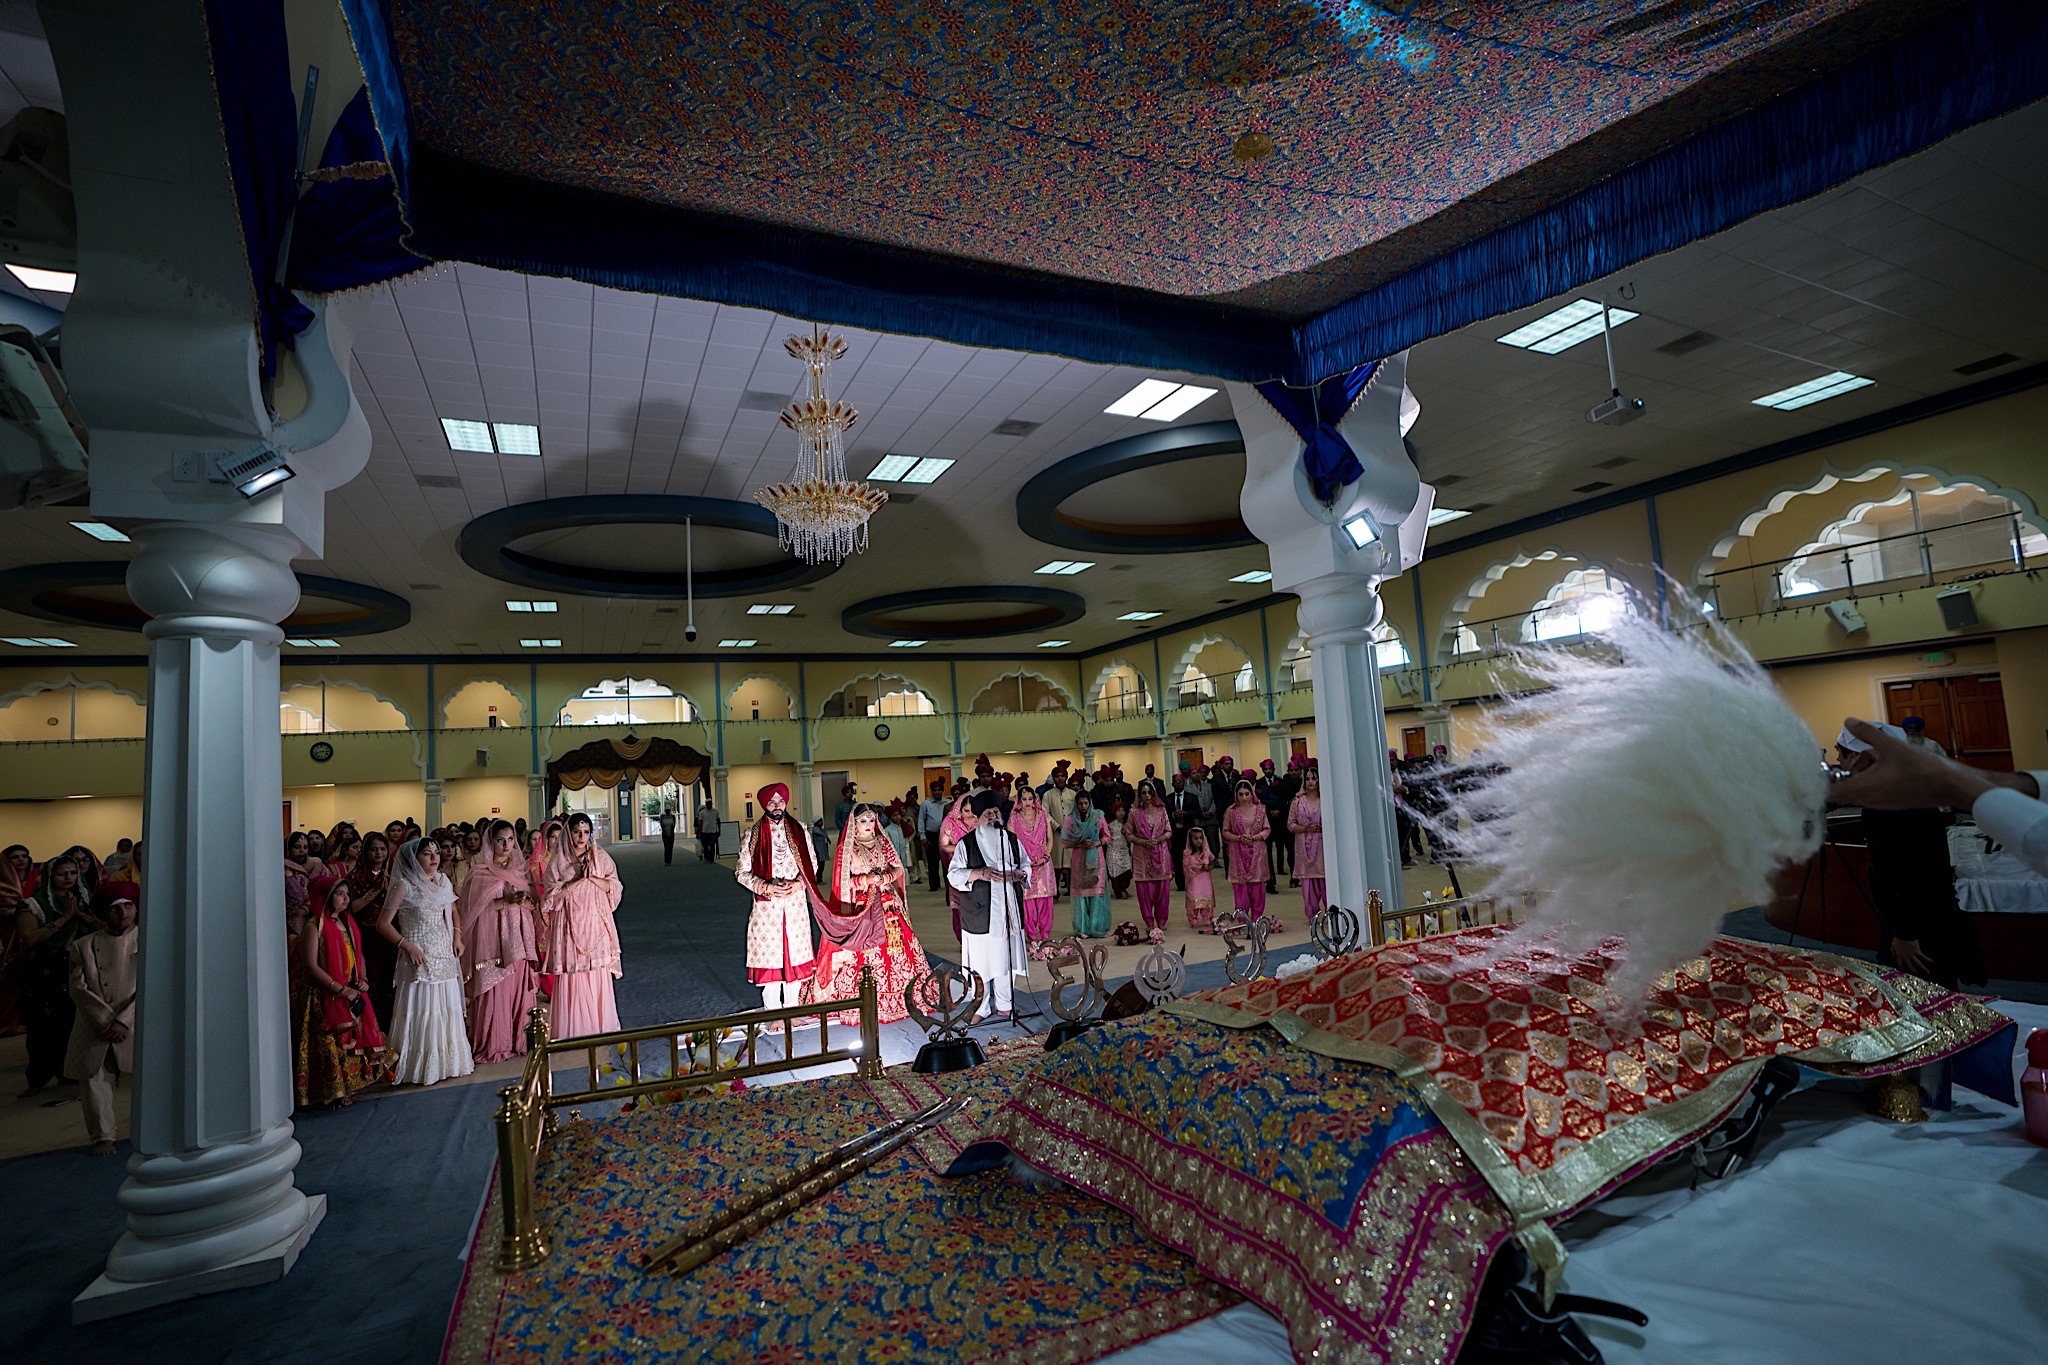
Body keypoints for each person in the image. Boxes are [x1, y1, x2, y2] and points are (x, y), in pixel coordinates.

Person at [1830, 712, 2048, 885]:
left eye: (1839, 752)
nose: (1837, 759)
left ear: (1855, 756)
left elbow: (1895, 876)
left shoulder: (1886, 807)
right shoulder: (1915, 804)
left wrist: (1954, 786)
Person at [805, 804, 929, 1024]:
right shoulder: (849, 847)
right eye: (863, 821)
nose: (868, 825)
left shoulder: (882, 842)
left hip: (889, 903)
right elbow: (842, 881)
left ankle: (902, 996)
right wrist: (866, 880)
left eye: (871, 820)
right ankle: (863, 999)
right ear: (854, 823)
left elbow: (898, 868)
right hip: (861, 906)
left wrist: (885, 879)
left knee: (898, 947)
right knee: (865, 950)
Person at [377, 838, 474, 1087]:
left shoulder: (442, 881)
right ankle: (419, 1067)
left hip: (444, 953)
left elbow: (453, 911)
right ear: (413, 858)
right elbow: (383, 924)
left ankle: (449, 1064)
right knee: (423, 1009)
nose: (434, 858)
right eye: (427, 853)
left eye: (436, 852)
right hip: (418, 956)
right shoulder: (404, 885)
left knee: (446, 1007)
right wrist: (407, 946)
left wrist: (457, 937)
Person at [293, 876, 388, 1109]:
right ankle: (331, 1092)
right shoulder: (313, 927)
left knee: (350, 1040)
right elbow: (311, 966)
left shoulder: (347, 923)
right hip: (323, 994)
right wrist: (341, 989)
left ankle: (348, 1086)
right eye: (339, 894)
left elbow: (358, 953)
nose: (346, 899)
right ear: (324, 897)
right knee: (330, 1044)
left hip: (350, 991)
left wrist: (362, 979)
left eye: (347, 894)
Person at [946, 790, 1031, 1024]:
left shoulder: (1011, 839)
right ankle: (980, 1007)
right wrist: (979, 873)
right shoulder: (967, 843)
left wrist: (1021, 874)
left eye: (995, 812)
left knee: (1006, 958)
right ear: (978, 817)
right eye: (988, 813)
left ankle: (1005, 1005)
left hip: (1008, 910)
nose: (993, 816)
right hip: (980, 913)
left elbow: (1026, 864)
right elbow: (953, 875)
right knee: (981, 962)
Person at [460, 819, 541, 1064]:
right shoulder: (480, 873)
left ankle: (519, 1039)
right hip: (494, 942)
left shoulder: (520, 869)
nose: (506, 845)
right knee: (497, 988)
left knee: (517, 986)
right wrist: (506, 901)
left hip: (518, 937)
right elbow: (472, 910)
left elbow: (533, 905)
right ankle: (496, 1042)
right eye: (500, 840)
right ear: (490, 842)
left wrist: (525, 902)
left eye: (510, 839)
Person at [66, 882, 138, 1155]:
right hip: (96, 1023)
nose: (123, 913)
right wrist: (108, 1021)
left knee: (150, 1078)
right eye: (114, 908)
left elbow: (154, 986)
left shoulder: (151, 940)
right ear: (103, 913)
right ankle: (102, 1136)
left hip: (136, 1020)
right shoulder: (83, 946)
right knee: (94, 1078)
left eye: (128, 905)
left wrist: (123, 1020)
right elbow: (78, 989)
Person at [734, 784, 819, 1011]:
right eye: (772, 802)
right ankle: (772, 1011)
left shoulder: (800, 829)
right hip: (767, 908)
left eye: (780, 801)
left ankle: (793, 1009)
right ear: (765, 805)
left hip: (795, 903)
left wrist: (798, 884)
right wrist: (765, 887)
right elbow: (741, 873)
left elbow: (812, 865)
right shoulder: (753, 834)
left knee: (795, 954)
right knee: (769, 957)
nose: (777, 806)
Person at [16, 854, 94, 1097]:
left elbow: (105, 927)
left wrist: (80, 915)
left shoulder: (85, 900)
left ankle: (69, 1072)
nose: (69, 878)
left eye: (73, 873)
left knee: (74, 1023)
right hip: (44, 973)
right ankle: (37, 1078)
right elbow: (29, 938)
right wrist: (65, 917)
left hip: (77, 969)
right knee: (41, 1027)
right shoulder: (32, 904)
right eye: (62, 874)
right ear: (50, 876)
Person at [541, 813, 625, 1037]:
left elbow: (614, 886)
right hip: (569, 925)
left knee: (596, 973)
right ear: (568, 833)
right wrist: (576, 880)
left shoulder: (599, 856)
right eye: (577, 832)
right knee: (573, 975)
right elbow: (550, 898)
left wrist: (591, 878)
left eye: (586, 832)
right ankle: (573, 1031)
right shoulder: (559, 861)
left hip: (595, 924)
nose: (581, 837)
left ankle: (599, 1027)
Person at [348, 832, 397, 1028]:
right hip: (367, 934)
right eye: (374, 849)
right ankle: (372, 1023)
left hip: (391, 933)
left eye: (382, 849)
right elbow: (353, 907)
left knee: (390, 977)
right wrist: (375, 890)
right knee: (372, 977)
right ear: (365, 852)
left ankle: (389, 1022)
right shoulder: (356, 877)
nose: (379, 853)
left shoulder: (394, 874)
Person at [1223, 779, 1278, 927]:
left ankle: (1256, 919)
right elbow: (1225, 832)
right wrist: (1239, 838)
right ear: (1236, 795)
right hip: (1237, 852)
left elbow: (1267, 829)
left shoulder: (1260, 809)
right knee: (1240, 888)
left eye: (1247, 794)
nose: (1244, 797)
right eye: (1240, 794)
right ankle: (1243, 921)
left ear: (1252, 793)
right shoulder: (1231, 812)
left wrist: (1254, 838)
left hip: (1257, 851)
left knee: (1257, 887)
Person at [1010, 783, 1057, 947]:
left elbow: (1050, 838)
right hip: (1025, 865)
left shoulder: (1043, 815)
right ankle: (1032, 937)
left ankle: (1044, 936)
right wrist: (1023, 861)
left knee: (1044, 900)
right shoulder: (1014, 818)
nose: (1027, 802)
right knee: (1027, 901)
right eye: (1024, 799)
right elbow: (1012, 843)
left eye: (1030, 798)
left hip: (1043, 863)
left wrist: (1045, 856)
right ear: (1019, 800)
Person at [1062, 790, 1111, 937]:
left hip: (1096, 857)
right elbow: (1065, 842)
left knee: (1097, 892)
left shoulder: (1098, 816)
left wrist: (1097, 843)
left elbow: (1107, 836)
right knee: (1080, 893)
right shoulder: (1070, 819)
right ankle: (1082, 929)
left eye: (1086, 803)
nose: (1084, 806)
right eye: (1080, 804)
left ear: (1090, 803)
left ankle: (1097, 928)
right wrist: (1080, 844)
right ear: (1076, 805)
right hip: (1079, 859)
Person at [1129, 779, 1174, 933]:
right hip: (1142, 855)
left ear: (1154, 794)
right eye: (1143, 793)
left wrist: (1158, 840)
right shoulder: (1134, 813)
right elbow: (1128, 834)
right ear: (1139, 795)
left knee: (1162, 890)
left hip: (1161, 853)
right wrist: (1143, 842)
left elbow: (1169, 830)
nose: (1147, 796)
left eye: (1149, 792)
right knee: (1144, 892)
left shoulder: (1161, 811)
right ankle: (1149, 921)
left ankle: (1161, 920)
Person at [1289, 765, 1326, 922]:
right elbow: (1290, 824)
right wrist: (1305, 828)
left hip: (1323, 847)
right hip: (1304, 847)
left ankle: (1331, 915)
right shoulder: (1297, 802)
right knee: (1309, 885)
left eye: (1314, 778)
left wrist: (1322, 828)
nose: (1311, 782)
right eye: (1308, 779)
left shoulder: (1327, 799)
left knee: (1326, 882)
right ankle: (1312, 916)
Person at [939, 791, 975, 940]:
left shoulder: (980, 820)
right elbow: (944, 846)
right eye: (966, 811)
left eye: (973, 811)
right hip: (957, 868)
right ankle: (962, 940)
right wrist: (963, 848)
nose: (970, 814)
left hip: (977, 867)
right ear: (959, 809)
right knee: (959, 906)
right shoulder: (950, 822)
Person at [1256, 759, 1292, 892]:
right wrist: (1269, 810)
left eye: (1270, 768)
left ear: (1273, 768)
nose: (1268, 771)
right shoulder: (1259, 783)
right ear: (1263, 770)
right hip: (1267, 820)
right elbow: (1259, 802)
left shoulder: (1281, 782)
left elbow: (1286, 800)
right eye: (1266, 769)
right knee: (1267, 852)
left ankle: (1293, 877)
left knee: (1287, 848)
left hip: (1281, 820)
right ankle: (1270, 881)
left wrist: (1279, 809)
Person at [1166, 773, 1201, 891]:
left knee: (1190, 858)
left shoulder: (1192, 797)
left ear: (1184, 782)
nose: (1178, 783)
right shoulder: (1168, 799)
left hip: (1188, 831)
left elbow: (1197, 812)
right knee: (1177, 859)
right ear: (1172, 784)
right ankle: (1180, 883)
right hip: (1174, 833)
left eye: (1180, 781)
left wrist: (1186, 813)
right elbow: (1164, 815)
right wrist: (1173, 815)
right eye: (1175, 781)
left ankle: (1191, 881)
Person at [1182, 827, 1219, 933]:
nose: (1198, 840)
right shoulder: (1187, 853)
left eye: (1200, 838)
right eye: (1195, 838)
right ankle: (1193, 920)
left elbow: (1212, 861)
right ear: (1190, 839)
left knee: (1207, 898)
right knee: (1193, 898)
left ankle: (1208, 918)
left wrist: (1209, 867)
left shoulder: (1206, 851)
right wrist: (1201, 866)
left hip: (1205, 879)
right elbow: (1187, 866)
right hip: (1194, 880)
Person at [917, 781, 949, 892]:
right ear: (931, 791)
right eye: (934, 790)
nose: (937, 792)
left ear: (942, 791)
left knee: (947, 861)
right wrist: (922, 836)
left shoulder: (948, 803)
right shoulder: (926, 804)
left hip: (946, 835)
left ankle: (948, 884)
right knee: (932, 861)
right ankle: (934, 885)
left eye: (939, 790)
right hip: (931, 835)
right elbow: (921, 820)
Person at [1105, 799, 1134, 899]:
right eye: (1119, 810)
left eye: (1123, 810)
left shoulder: (1127, 825)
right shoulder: (1110, 825)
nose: (1121, 813)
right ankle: (1119, 892)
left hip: (1124, 852)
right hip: (1113, 853)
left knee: (1127, 872)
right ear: (1114, 812)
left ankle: (1124, 889)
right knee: (1116, 874)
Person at [695, 798, 721, 864]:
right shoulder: (702, 812)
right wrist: (700, 832)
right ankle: (707, 857)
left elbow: (718, 821)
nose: (709, 804)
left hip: (713, 831)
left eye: (710, 803)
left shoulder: (715, 811)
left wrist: (719, 830)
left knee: (712, 846)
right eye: (708, 803)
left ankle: (712, 859)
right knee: (705, 845)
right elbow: (700, 822)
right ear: (706, 804)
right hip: (704, 831)